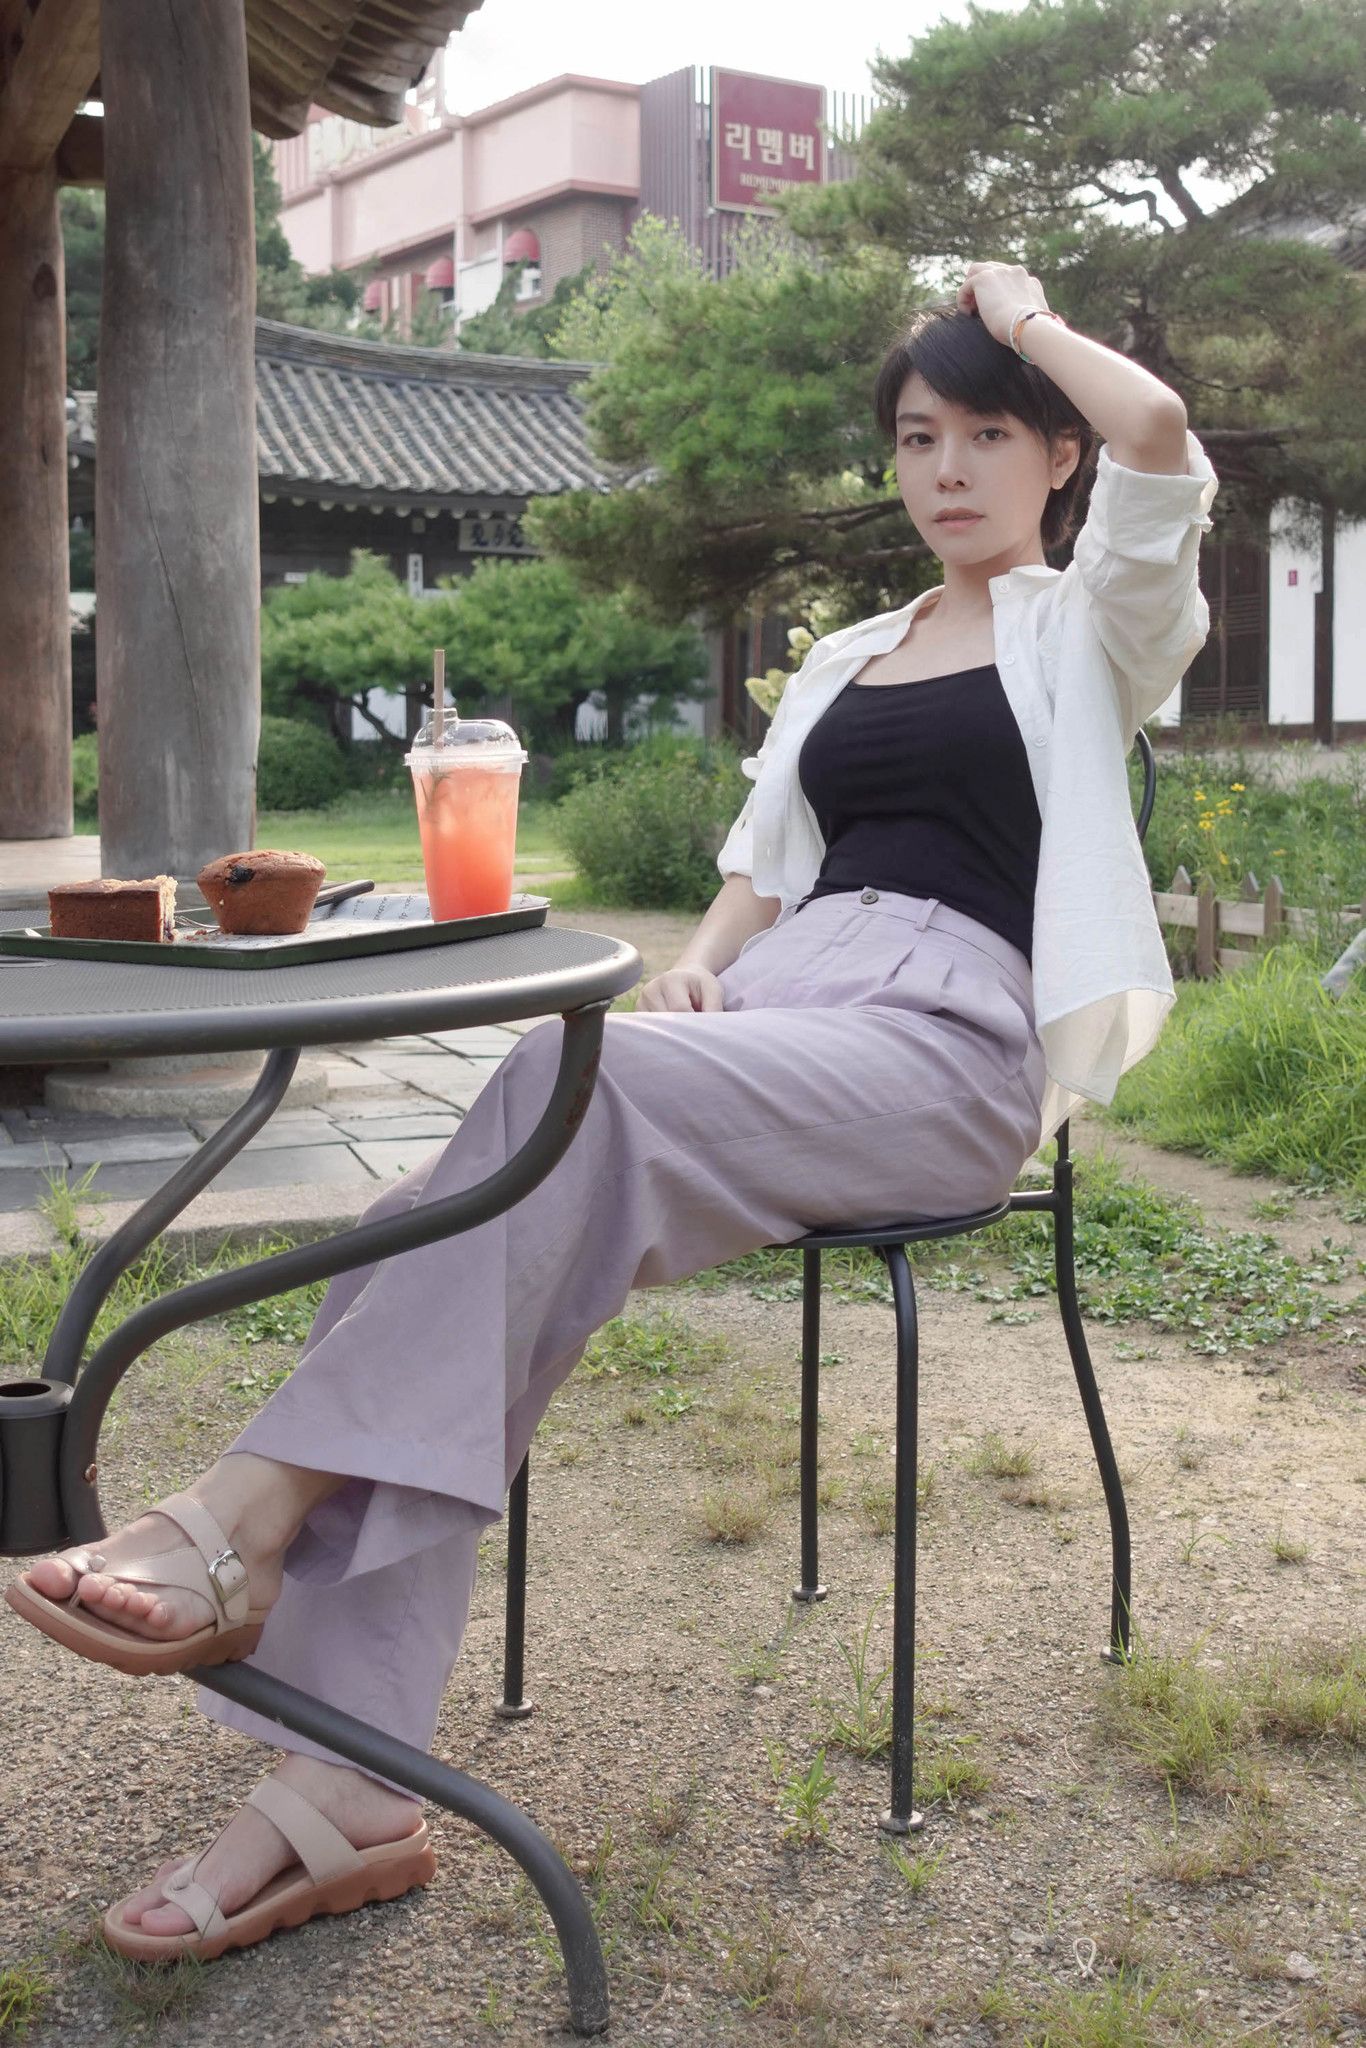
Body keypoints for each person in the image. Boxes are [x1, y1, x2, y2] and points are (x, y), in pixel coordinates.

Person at [7, 260, 1218, 1963]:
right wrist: (701, 968)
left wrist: (1013, 313)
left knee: (543, 1110)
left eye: (987, 434)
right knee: (469, 1213)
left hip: (946, 1047)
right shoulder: (851, 655)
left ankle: (238, 1527)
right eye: (914, 436)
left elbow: (1159, 429)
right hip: (784, 1018)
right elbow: (763, 873)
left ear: (1054, 456)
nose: (944, 468)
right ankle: (340, 1786)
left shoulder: (1089, 626)